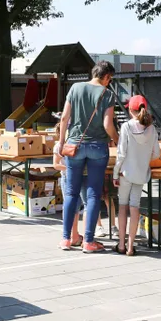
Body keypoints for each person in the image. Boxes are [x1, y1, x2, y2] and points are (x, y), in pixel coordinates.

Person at [57, 61, 119, 253]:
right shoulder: (107, 94)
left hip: (74, 145)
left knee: (71, 193)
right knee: (92, 194)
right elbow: (108, 124)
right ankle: (88, 241)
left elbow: (65, 117)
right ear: (107, 77)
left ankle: (66, 239)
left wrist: (61, 141)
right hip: (97, 147)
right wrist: (117, 139)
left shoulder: (75, 88)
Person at [112, 95, 160, 256]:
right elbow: (156, 154)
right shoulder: (152, 129)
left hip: (126, 173)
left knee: (122, 207)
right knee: (135, 208)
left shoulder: (126, 126)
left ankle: (121, 245)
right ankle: (131, 246)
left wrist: (115, 173)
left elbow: (121, 153)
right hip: (141, 174)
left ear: (131, 110)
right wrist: (144, 158)